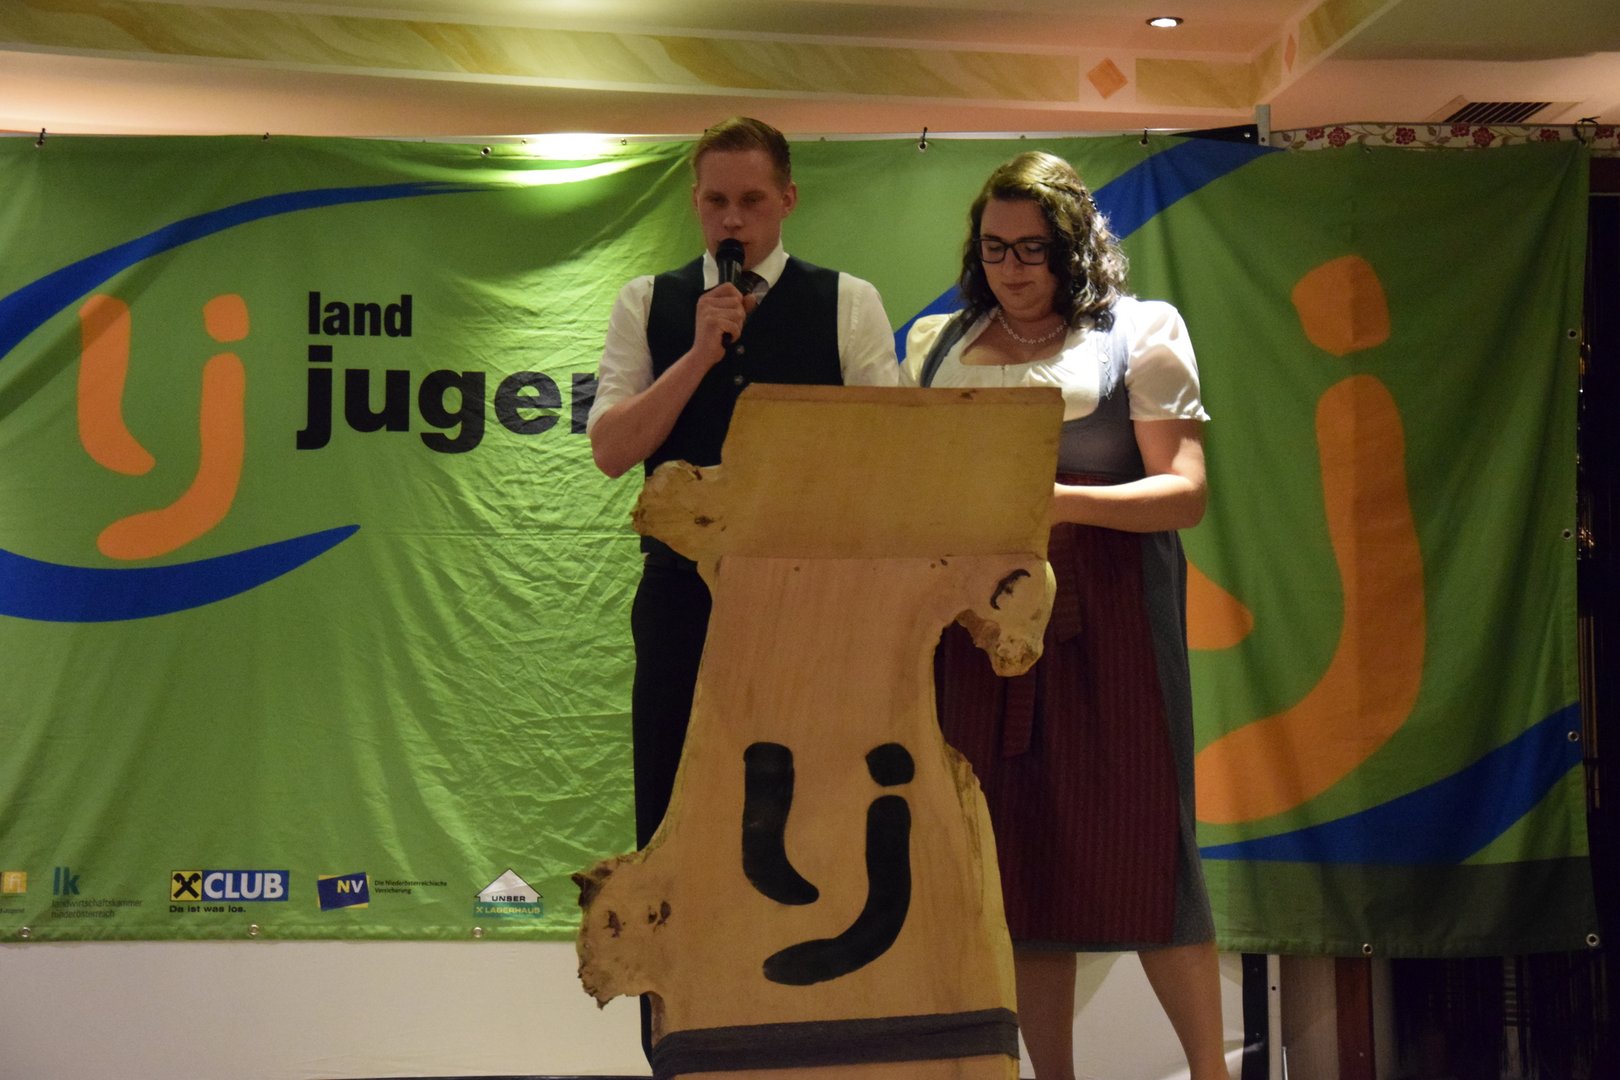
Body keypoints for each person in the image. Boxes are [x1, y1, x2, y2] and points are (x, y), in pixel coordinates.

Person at [901, 151, 1226, 1080]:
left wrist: (1054, 501)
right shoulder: (934, 344)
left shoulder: (1141, 332)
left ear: (1074, 248)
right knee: (1016, 859)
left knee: (1148, 847)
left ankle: (1213, 1072)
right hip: (975, 629)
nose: (1011, 267)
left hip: (1111, 618)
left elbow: (1184, 493)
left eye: (1032, 249)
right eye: (994, 247)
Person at [588, 115, 900, 849]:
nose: (732, 220)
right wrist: (699, 354)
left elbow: (885, 452)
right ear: (694, 201)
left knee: (805, 803)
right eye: (716, 201)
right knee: (674, 795)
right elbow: (611, 450)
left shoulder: (849, 301)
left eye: (752, 201)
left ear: (788, 199)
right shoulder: (646, 301)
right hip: (680, 594)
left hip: (809, 594)